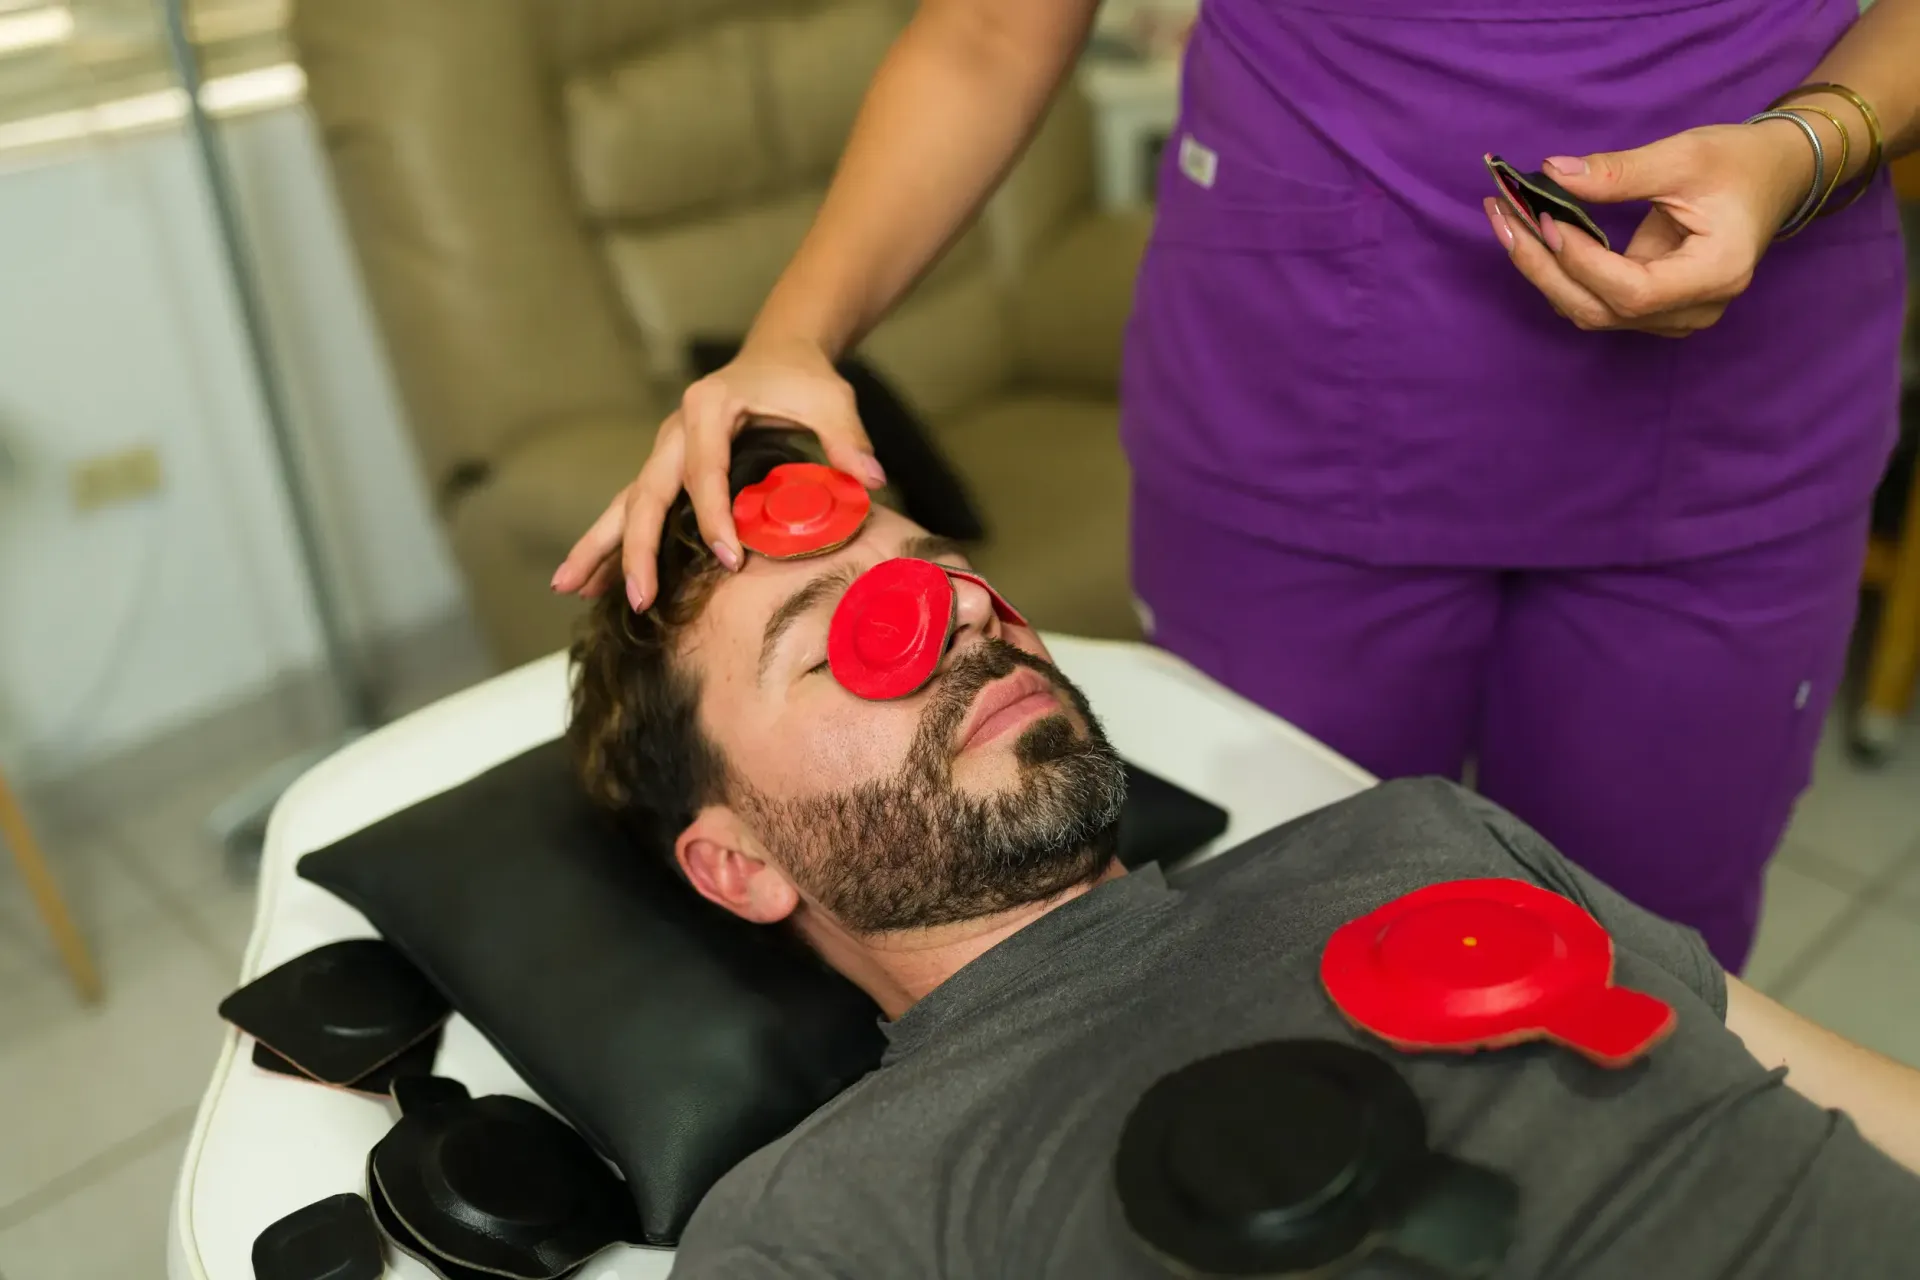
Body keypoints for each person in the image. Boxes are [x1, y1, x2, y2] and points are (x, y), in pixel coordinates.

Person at [550, 0, 1920, 973]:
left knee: (1643, 964)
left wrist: (1814, 142)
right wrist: (794, 334)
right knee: (1274, 944)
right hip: (1307, 379)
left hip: (1738, 399)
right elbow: (989, 25)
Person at [566, 434, 1920, 1279]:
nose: (959, 623)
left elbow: (1855, 1101)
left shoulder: (1417, 833)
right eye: (837, 636)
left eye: (945, 576)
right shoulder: (824, 1222)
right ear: (735, 865)